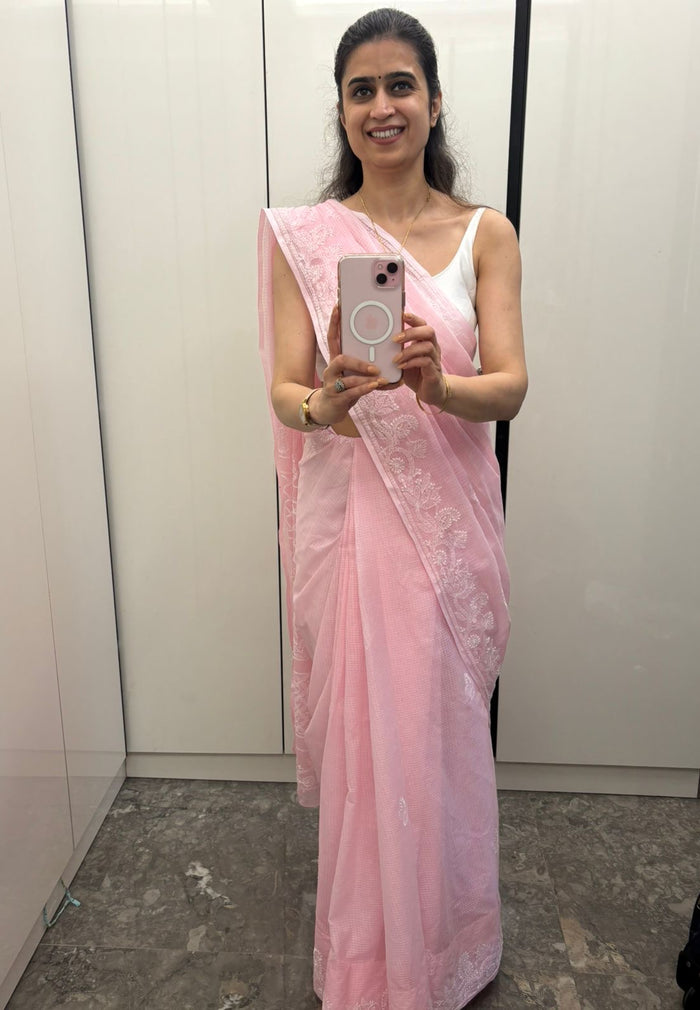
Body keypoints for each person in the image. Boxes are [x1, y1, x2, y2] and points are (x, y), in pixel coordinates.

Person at [258, 9, 527, 1008]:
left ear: (434, 100)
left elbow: (510, 386)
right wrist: (325, 403)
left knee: (439, 740)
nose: (382, 106)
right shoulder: (305, 240)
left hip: (446, 544)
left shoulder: (484, 234)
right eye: (361, 89)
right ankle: (372, 964)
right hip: (357, 535)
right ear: (342, 110)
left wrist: (438, 387)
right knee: (373, 751)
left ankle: (449, 946)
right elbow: (287, 391)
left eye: (400, 84)